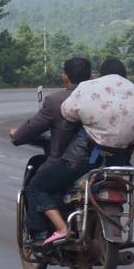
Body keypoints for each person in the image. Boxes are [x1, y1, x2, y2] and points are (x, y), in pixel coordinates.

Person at [32, 59, 134, 246]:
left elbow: (67, 113)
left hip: (83, 159)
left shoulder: (89, 87)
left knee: (37, 187)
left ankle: (61, 228)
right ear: (125, 75)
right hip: (120, 163)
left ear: (99, 74)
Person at [9, 57, 92, 240]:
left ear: (65, 77)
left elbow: (32, 127)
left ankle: (40, 235)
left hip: (68, 162)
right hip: (100, 162)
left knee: (34, 187)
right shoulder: (101, 99)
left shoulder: (56, 101)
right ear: (91, 77)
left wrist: (17, 135)